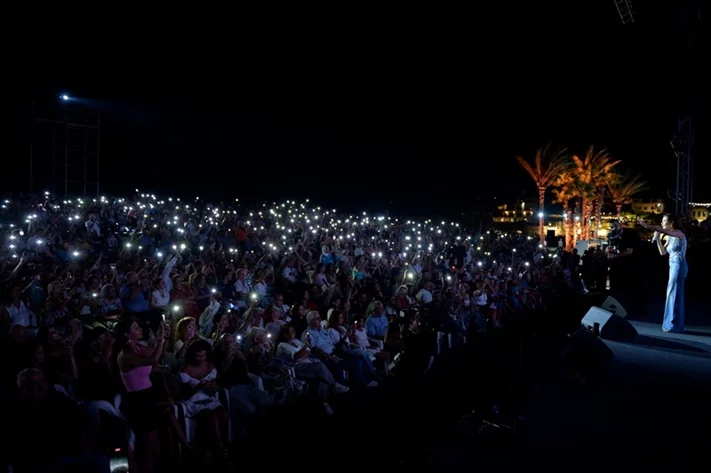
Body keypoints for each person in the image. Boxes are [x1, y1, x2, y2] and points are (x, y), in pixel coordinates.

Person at [637, 215, 687, 333]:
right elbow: (663, 253)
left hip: (679, 265)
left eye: (664, 221)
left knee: (673, 292)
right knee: (672, 292)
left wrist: (647, 226)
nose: (662, 223)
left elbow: (662, 230)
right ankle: (672, 323)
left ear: (671, 222)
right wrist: (658, 239)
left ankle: (673, 324)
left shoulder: (678, 233)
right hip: (672, 265)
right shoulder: (669, 237)